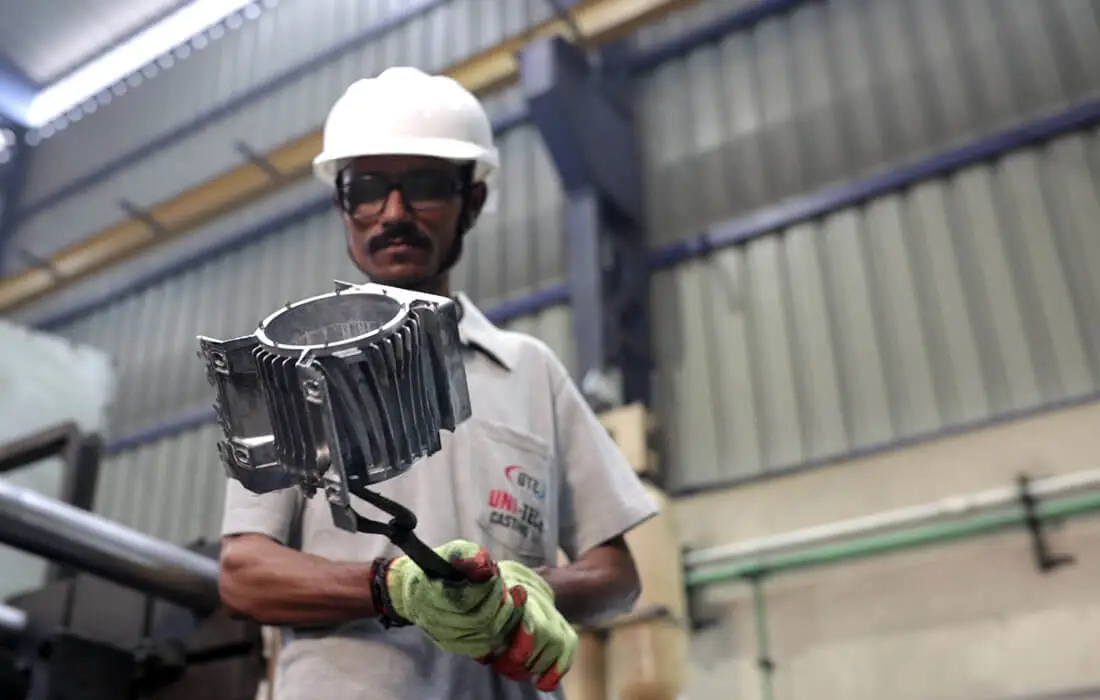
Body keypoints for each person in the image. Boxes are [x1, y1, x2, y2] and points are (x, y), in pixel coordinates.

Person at [217, 66, 659, 700]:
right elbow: (244, 573)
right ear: (342, 204)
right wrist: (392, 586)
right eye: (366, 189)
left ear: (471, 202)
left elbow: (617, 574)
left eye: (424, 187)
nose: (392, 213)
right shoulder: (281, 373)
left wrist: (530, 589)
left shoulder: (531, 372)